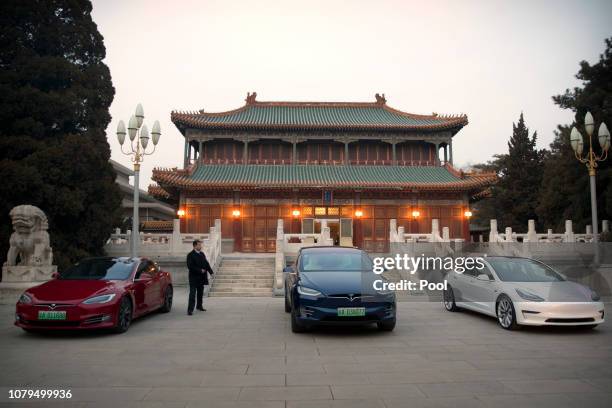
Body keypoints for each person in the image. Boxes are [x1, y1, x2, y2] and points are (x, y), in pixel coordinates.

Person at [186, 239, 214, 315]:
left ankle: (199, 306)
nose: (200, 246)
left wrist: (211, 272)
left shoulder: (202, 254)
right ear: (194, 246)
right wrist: (199, 270)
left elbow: (206, 263)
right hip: (193, 278)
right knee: (192, 294)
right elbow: (190, 266)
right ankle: (190, 309)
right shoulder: (190, 255)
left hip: (201, 277)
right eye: (199, 245)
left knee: (200, 293)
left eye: (200, 245)